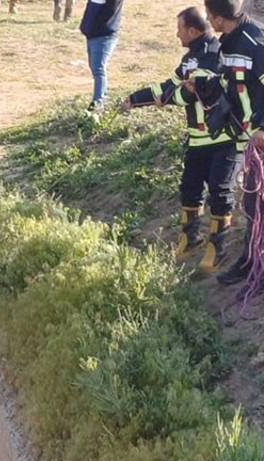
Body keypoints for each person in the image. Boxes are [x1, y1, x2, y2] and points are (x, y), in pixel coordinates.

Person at [122, 7, 236, 269]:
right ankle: (190, 240)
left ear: (193, 31)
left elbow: (194, 92)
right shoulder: (190, 58)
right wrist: (135, 99)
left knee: (220, 192)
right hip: (197, 140)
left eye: (180, 29)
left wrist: (173, 96)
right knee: (189, 190)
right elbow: (169, 87)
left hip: (221, 138)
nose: (176, 34)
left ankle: (217, 249)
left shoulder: (213, 53)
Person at [194, 0, 264, 285]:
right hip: (247, 138)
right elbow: (232, 84)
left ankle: (253, 265)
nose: (208, 19)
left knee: (256, 204)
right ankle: (251, 262)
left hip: (260, 139)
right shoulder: (228, 43)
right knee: (252, 204)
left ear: (220, 18)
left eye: (209, 15)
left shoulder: (255, 43)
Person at [80, 0, 125, 112]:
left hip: (103, 35)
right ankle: (98, 102)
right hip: (93, 35)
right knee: (95, 68)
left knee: (98, 69)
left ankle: (98, 104)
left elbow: (106, 11)